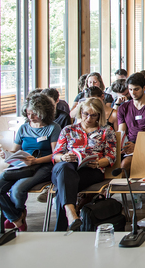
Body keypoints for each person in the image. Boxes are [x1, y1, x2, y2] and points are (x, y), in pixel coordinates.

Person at [0, 94, 61, 231]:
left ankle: (16, 219)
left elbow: (56, 154)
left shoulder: (53, 128)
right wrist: (7, 154)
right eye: (28, 114)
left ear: (44, 113)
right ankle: (16, 217)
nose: (31, 117)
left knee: (17, 189)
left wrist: (35, 161)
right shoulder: (24, 128)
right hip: (21, 165)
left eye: (35, 114)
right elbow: (14, 150)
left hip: (43, 165)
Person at [51, 98, 116, 231]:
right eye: (86, 114)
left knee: (63, 185)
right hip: (67, 166)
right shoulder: (68, 130)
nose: (88, 118)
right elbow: (56, 155)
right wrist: (64, 157)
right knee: (64, 168)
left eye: (93, 115)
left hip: (91, 170)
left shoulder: (106, 130)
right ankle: (71, 213)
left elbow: (111, 157)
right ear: (80, 112)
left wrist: (98, 163)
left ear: (99, 115)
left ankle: (62, 227)